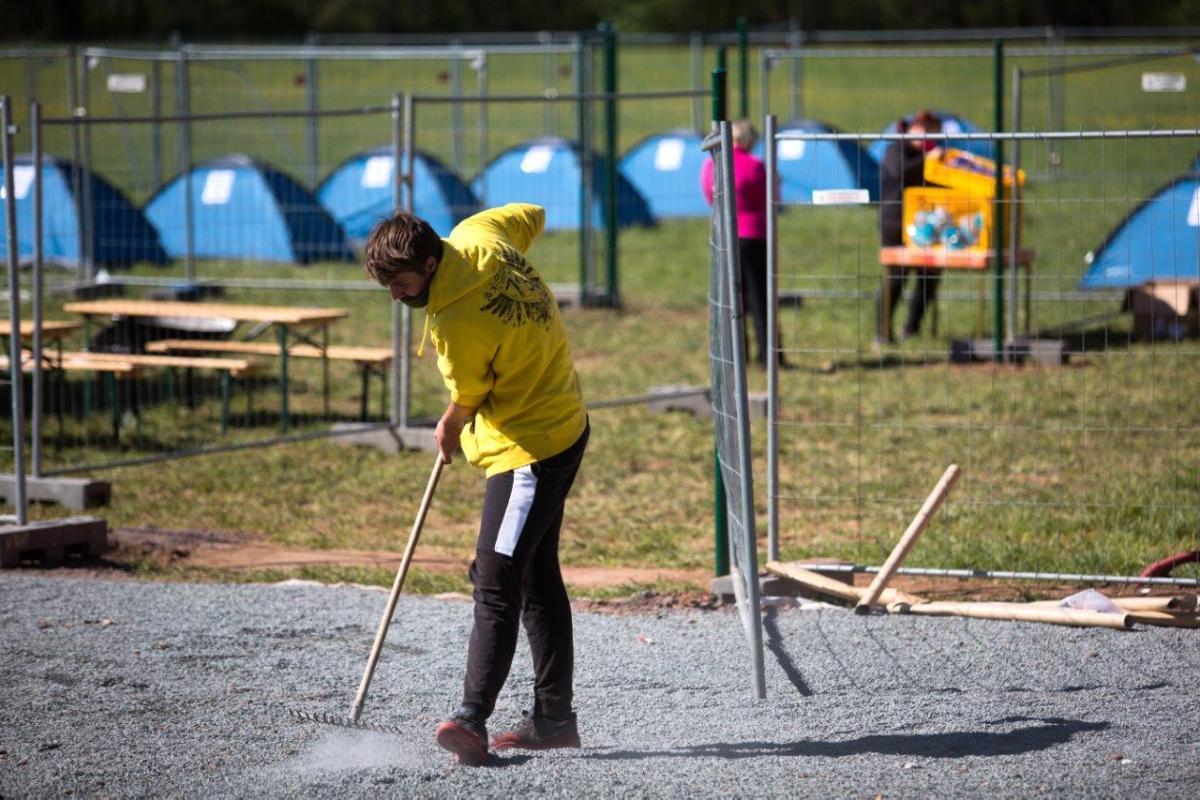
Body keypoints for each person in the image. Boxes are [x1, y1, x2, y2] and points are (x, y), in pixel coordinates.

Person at [364, 204, 589, 767]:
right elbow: (533, 214)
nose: (396, 296)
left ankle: (470, 720)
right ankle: (554, 721)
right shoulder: (479, 233)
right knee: (536, 574)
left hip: (531, 449)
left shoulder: (454, 322)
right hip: (566, 422)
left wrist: (448, 424)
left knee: (496, 574)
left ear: (432, 263)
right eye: (387, 285)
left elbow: (468, 396)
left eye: (402, 283)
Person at [700, 119, 786, 368]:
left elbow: (709, 195)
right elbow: (771, 199)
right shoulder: (757, 166)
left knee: (729, 298)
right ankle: (770, 355)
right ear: (748, 140)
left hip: (724, 237)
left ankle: (735, 355)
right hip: (754, 236)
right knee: (760, 298)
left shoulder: (711, 166)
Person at [876, 109, 944, 344]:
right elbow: (900, 172)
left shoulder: (930, 159)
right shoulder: (896, 150)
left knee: (929, 276)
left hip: (926, 226)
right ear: (912, 128)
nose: (927, 137)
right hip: (895, 224)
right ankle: (882, 332)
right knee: (896, 278)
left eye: (932, 133)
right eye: (924, 130)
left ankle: (911, 327)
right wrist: (928, 160)